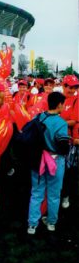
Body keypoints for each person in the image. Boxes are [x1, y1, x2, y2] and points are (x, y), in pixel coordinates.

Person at [27, 92, 70, 235]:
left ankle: (32, 225)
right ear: (59, 105)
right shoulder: (61, 123)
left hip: (37, 160)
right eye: (63, 104)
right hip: (55, 162)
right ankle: (51, 222)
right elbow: (64, 147)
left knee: (36, 193)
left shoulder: (38, 117)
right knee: (53, 194)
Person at [60, 75, 79, 208]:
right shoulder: (58, 98)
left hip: (70, 142)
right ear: (63, 85)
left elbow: (74, 121)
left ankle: (66, 195)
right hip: (55, 141)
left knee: (69, 171)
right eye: (68, 86)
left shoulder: (76, 100)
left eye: (74, 87)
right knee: (56, 170)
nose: (71, 90)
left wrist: (55, 123)